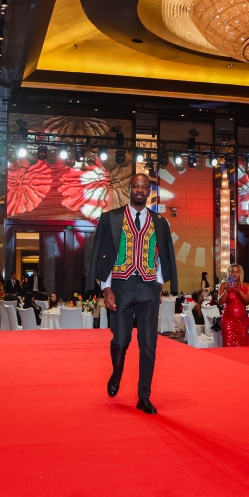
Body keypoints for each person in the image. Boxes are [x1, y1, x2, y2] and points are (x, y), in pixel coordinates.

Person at [85, 173, 178, 415]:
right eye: (136, 186)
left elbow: (162, 255)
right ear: (130, 189)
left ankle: (143, 396)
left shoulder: (160, 222)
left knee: (148, 344)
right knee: (120, 340)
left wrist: (158, 285)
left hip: (148, 287)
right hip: (121, 286)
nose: (139, 190)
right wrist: (106, 287)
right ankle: (117, 372)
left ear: (149, 191)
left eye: (144, 187)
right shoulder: (112, 218)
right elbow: (103, 254)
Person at [218, 264, 249, 347]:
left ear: (240, 273)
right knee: (228, 344)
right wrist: (226, 291)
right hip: (227, 320)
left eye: (237, 272)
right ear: (229, 273)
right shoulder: (224, 285)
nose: (234, 274)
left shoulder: (247, 286)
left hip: (242, 320)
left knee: (242, 345)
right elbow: (220, 302)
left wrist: (240, 291)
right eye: (232, 272)